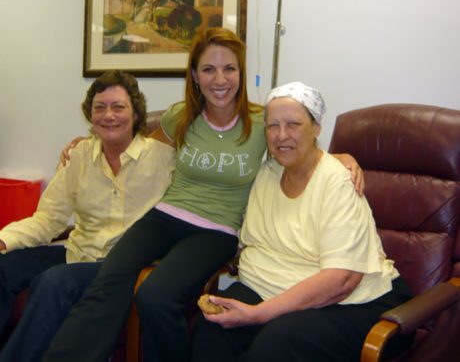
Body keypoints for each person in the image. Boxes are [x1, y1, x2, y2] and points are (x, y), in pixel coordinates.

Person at [44, 29, 363, 362]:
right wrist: (92, 142)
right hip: (164, 216)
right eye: (208, 69)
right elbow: (143, 147)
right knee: (108, 280)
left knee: (155, 296)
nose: (219, 79)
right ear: (195, 75)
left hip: (217, 229)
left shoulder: (260, 123)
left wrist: (341, 157)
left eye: (229, 69)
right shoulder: (180, 116)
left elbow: (295, 148)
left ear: (240, 73)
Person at [191, 81, 414, 362]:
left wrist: (260, 314)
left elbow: (342, 279)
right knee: (210, 332)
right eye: (272, 126)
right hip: (267, 289)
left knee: (274, 347)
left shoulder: (337, 181)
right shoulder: (267, 174)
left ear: (316, 128)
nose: (281, 135)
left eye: (293, 124)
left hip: (349, 301)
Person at [0, 70, 174, 362]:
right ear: (90, 115)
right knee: (4, 267)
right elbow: (48, 220)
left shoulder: (164, 159)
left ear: (135, 113)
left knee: (54, 281)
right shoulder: (79, 156)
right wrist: (4, 240)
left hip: (124, 265)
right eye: (99, 108)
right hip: (77, 252)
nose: (109, 116)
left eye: (119, 107)